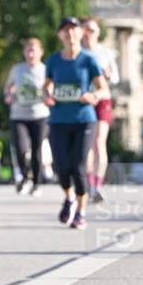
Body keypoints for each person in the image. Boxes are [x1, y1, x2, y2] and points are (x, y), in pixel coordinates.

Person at [44, 17, 108, 230]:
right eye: (65, 30)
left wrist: (93, 96)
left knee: (79, 167)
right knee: (62, 168)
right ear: (60, 35)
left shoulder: (89, 59)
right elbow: (47, 85)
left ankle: (81, 212)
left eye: (73, 30)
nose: (70, 34)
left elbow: (103, 88)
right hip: (58, 120)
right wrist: (47, 96)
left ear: (80, 33)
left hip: (84, 120)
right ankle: (69, 197)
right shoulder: (53, 60)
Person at [4, 38, 49, 196]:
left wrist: (48, 96)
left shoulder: (45, 70)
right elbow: (8, 88)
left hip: (39, 114)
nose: (30, 54)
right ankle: (24, 177)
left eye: (33, 50)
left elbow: (51, 88)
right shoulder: (17, 69)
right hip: (19, 115)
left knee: (37, 150)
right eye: (28, 50)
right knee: (21, 149)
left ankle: (36, 183)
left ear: (40, 52)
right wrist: (8, 95)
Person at [80, 18, 119, 203]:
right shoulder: (77, 53)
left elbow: (116, 77)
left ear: (98, 33)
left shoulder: (105, 52)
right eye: (86, 30)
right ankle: (89, 184)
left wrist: (109, 74)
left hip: (102, 99)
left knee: (99, 141)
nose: (89, 34)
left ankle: (98, 185)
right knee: (87, 144)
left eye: (92, 30)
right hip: (84, 100)